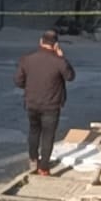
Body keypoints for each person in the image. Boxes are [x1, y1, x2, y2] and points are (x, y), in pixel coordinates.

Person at [15, 30, 76, 176]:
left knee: (34, 130)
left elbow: (18, 81)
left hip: (32, 103)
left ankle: (33, 158)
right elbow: (70, 76)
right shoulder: (59, 61)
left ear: (41, 42)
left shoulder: (27, 59)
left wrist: (30, 87)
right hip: (51, 105)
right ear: (56, 45)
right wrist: (62, 57)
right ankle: (44, 167)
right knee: (48, 135)